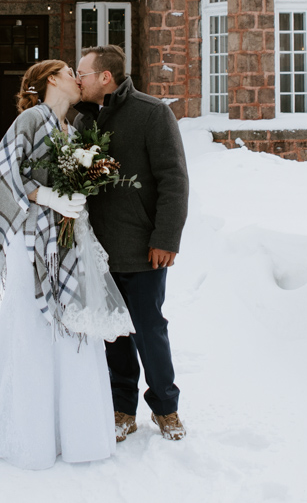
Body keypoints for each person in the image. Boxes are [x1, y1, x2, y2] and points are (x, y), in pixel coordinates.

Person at [0, 59, 134, 469]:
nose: (76, 78)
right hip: (31, 243)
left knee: (67, 334)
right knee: (32, 330)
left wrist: (76, 202)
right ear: (51, 80)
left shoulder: (72, 128)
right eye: (69, 72)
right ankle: (31, 434)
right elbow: (0, 174)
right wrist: (43, 197)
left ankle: (68, 431)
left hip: (65, 243)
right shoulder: (30, 119)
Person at [74, 44, 189, 442]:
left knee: (148, 331)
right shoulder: (81, 121)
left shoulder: (152, 113)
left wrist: (165, 238)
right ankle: (121, 409)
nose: (77, 80)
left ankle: (166, 408)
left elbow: (174, 180)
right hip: (98, 252)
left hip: (143, 250)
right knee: (113, 336)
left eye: (82, 73)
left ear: (105, 77)